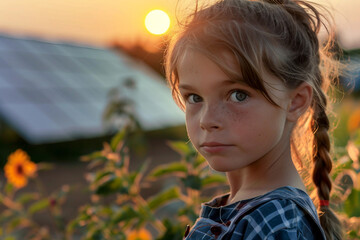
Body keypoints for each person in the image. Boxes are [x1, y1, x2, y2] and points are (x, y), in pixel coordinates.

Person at [165, 0, 343, 239]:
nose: (207, 120)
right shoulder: (251, 212)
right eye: (194, 97)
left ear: (296, 101)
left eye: (238, 95)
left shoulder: (277, 224)